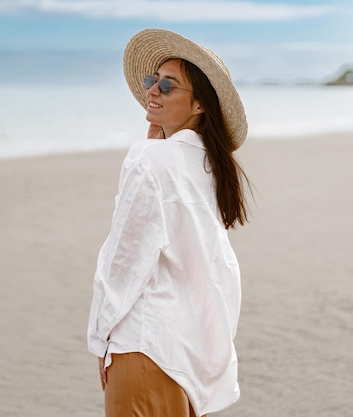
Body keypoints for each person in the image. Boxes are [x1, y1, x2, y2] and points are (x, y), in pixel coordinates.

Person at [87, 28, 250, 417]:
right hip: (190, 355)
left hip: (146, 343)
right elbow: (216, 269)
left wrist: (102, 337)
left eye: (167, 84)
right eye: (152, 80)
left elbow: (125, 258)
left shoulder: (150, 159)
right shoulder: (209, 168)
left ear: (199, 105)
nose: (153, 90)